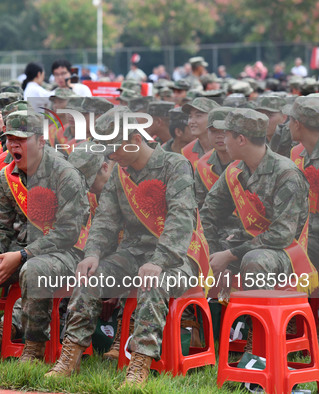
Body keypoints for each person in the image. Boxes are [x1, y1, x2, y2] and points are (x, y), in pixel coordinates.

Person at [46, 106, 201, 388]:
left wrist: (160, 260)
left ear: (135, 138)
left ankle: (139, 365)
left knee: (154, 282)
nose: (110, 155)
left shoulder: (174, 166)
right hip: (132, 254)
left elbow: (181, 219)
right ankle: (70, 356)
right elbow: (105, 220)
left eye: (114, 148)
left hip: (177, 259)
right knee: (88, 276)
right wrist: (92, 253)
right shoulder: (120, 174)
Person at [0, 110, 88, 369]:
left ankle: (33, 350)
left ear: (41, 142)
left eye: (21, 139)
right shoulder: (6, 177)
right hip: (17, 251)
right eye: (10, 139)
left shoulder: (65, 175)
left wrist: (22, 256)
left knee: (33, 269)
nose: (13, 145)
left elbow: (68, 233)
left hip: (66, 253)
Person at [201, 108, 312, 307]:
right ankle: (202, 324)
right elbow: (208, 215)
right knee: (195, 251)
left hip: (285, 251)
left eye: (226, 135)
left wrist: (229, 256)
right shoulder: (235, 170)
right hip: (246, 244)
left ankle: (257, 326)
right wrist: (215, 254)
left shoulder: (286, 174)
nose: (223, 141)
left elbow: (281, 235)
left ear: (241, 139)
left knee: (255, 260)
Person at [284, 97, 319, 350]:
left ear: (298, 124)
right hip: (311, 228)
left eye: (290, 120)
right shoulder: (295, 153)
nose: (287, 125)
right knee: (288, 253)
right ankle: (292, 317)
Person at [181, 97, 220, 168]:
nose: (192, 121)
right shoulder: (187, 151)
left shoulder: (225, 147)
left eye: (198, 116)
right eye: (190, 116)